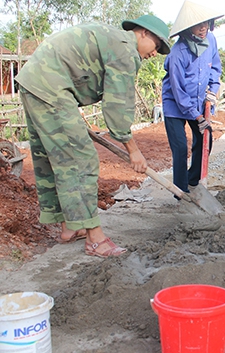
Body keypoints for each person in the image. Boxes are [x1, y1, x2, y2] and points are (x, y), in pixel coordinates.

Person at [16, 14, 171, 258]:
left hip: (35, 80)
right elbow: (117, 108)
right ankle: (95, 238)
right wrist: (133, 150)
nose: (155, 53)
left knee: (55, 157)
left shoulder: (114, 39)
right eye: (157, 45)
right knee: (81, 160)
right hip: (50, 86)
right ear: (143, 33)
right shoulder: (125, 52)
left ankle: (70, 226)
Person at [162, 1, 223, 194]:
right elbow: (178, 91)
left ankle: (193, 181)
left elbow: (215, 66)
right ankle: (181, 193)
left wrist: (212, 92)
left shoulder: (211, 40)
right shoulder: (177, 53)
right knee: (180, 148)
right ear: (187, 28)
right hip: (175, 104)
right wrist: (197, 117)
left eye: (206, 23)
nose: (203, 28)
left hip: (198, 101)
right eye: (198, 25)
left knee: (205, 139)